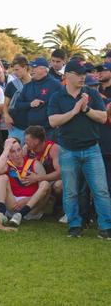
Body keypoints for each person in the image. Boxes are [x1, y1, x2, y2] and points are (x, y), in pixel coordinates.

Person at [47, 58, 111, 239]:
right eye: (79, 74)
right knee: (70, 191)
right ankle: (74, 226)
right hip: (68, 150)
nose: (83, 77)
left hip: (92, 149)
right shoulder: (57, 96)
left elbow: (102, 117)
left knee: (101, 190)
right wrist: (74, 111)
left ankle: (106, 227)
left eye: (84, 74)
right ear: (68, 76)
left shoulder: (92, 94)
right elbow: (53, 121)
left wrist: (85, 109)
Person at [0, 138, 51, 227]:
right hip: (13, 204)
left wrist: (28, 199)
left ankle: (20, 215)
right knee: (2, 177)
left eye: (19, 150)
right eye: (12, 151)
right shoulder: (6, 165)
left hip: (32, 206)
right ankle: (0, 214)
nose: (17, 154)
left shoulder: (34, 163)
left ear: (22, 150)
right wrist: (6, 150)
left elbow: (44, 189)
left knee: (45, 184)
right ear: (8, 153)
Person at [17, 57, 62, 140]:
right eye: (31, 68)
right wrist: (30, 104)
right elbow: (18, 105)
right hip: (32, 131)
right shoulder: (28, 86)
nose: (31, 70)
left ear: (44, 69)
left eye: (34, 67)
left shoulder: (55, 84)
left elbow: (63, 104)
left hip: (50, 131)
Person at [24, 125, 63, 220]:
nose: (25, 142)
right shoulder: (27, 148)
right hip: (36, 179)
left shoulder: (53, 148)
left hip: (54, 179)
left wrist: (38, 178)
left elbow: (59, 173)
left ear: (36, 141)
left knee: (59, 185)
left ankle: (60, 208)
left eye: (27, 140)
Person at [3, 55, 32, 145]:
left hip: (33, 128)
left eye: (17, 70)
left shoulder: (36, 84)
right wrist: (6, 116)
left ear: (25, 68)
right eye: (14, 70)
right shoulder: (11, 85)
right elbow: (5, 105)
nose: (15, 73)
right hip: (16, 127)